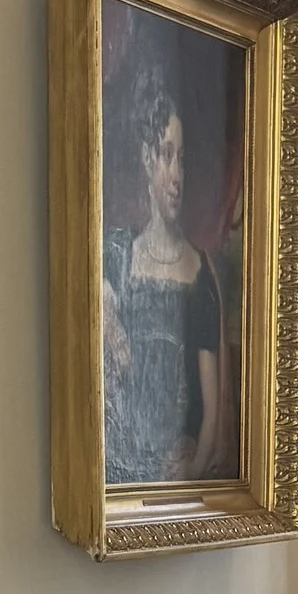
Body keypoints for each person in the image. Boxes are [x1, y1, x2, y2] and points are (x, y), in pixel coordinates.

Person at [102, 72, 223, 482]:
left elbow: (212, 410)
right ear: (146, 159)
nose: (176, 175)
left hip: (172, 482)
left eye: (182, 158)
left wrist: (193, 468)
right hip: (119, 474)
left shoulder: (198, 273)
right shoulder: (117, 258)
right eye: (166, 154)